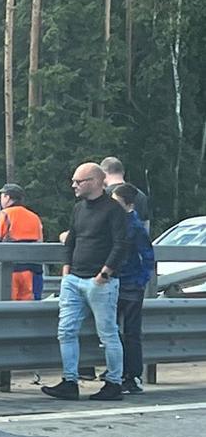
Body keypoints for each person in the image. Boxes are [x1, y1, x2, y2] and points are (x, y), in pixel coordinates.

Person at [42, 163, 131, 401]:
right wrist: (66, 272)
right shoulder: (78, 209)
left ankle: (114, 383)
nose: (73, 185)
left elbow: (121, 244)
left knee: (108, 334)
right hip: (74, 279)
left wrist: (104, 274)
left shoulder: (113, 210)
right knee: (66, 331)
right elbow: (71, 240)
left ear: (93, 181)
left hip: (99, 281)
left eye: (78, 181)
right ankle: (69, 381)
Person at [112, 183, 156, 395]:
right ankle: (120, 372)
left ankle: (131, 375)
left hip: (130, 285)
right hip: (119, 282)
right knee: (116, 332)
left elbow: (148, 256)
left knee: (130, 333)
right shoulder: (122, 222)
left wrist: (141, 281)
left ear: (126, 203)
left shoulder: (134, 226)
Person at [0, 183, 44, 301]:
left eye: (2, 196)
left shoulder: (4, 214)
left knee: (9, 307)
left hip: (12, 269)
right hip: (33, 269)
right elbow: (40, 241)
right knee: (30, 308)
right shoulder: (34, 217)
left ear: (7, 198)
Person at [101, 157, 151, 231]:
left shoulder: (102, 196)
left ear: (103, 174)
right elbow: (145, 226)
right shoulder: (141, 195)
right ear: (123, 172)